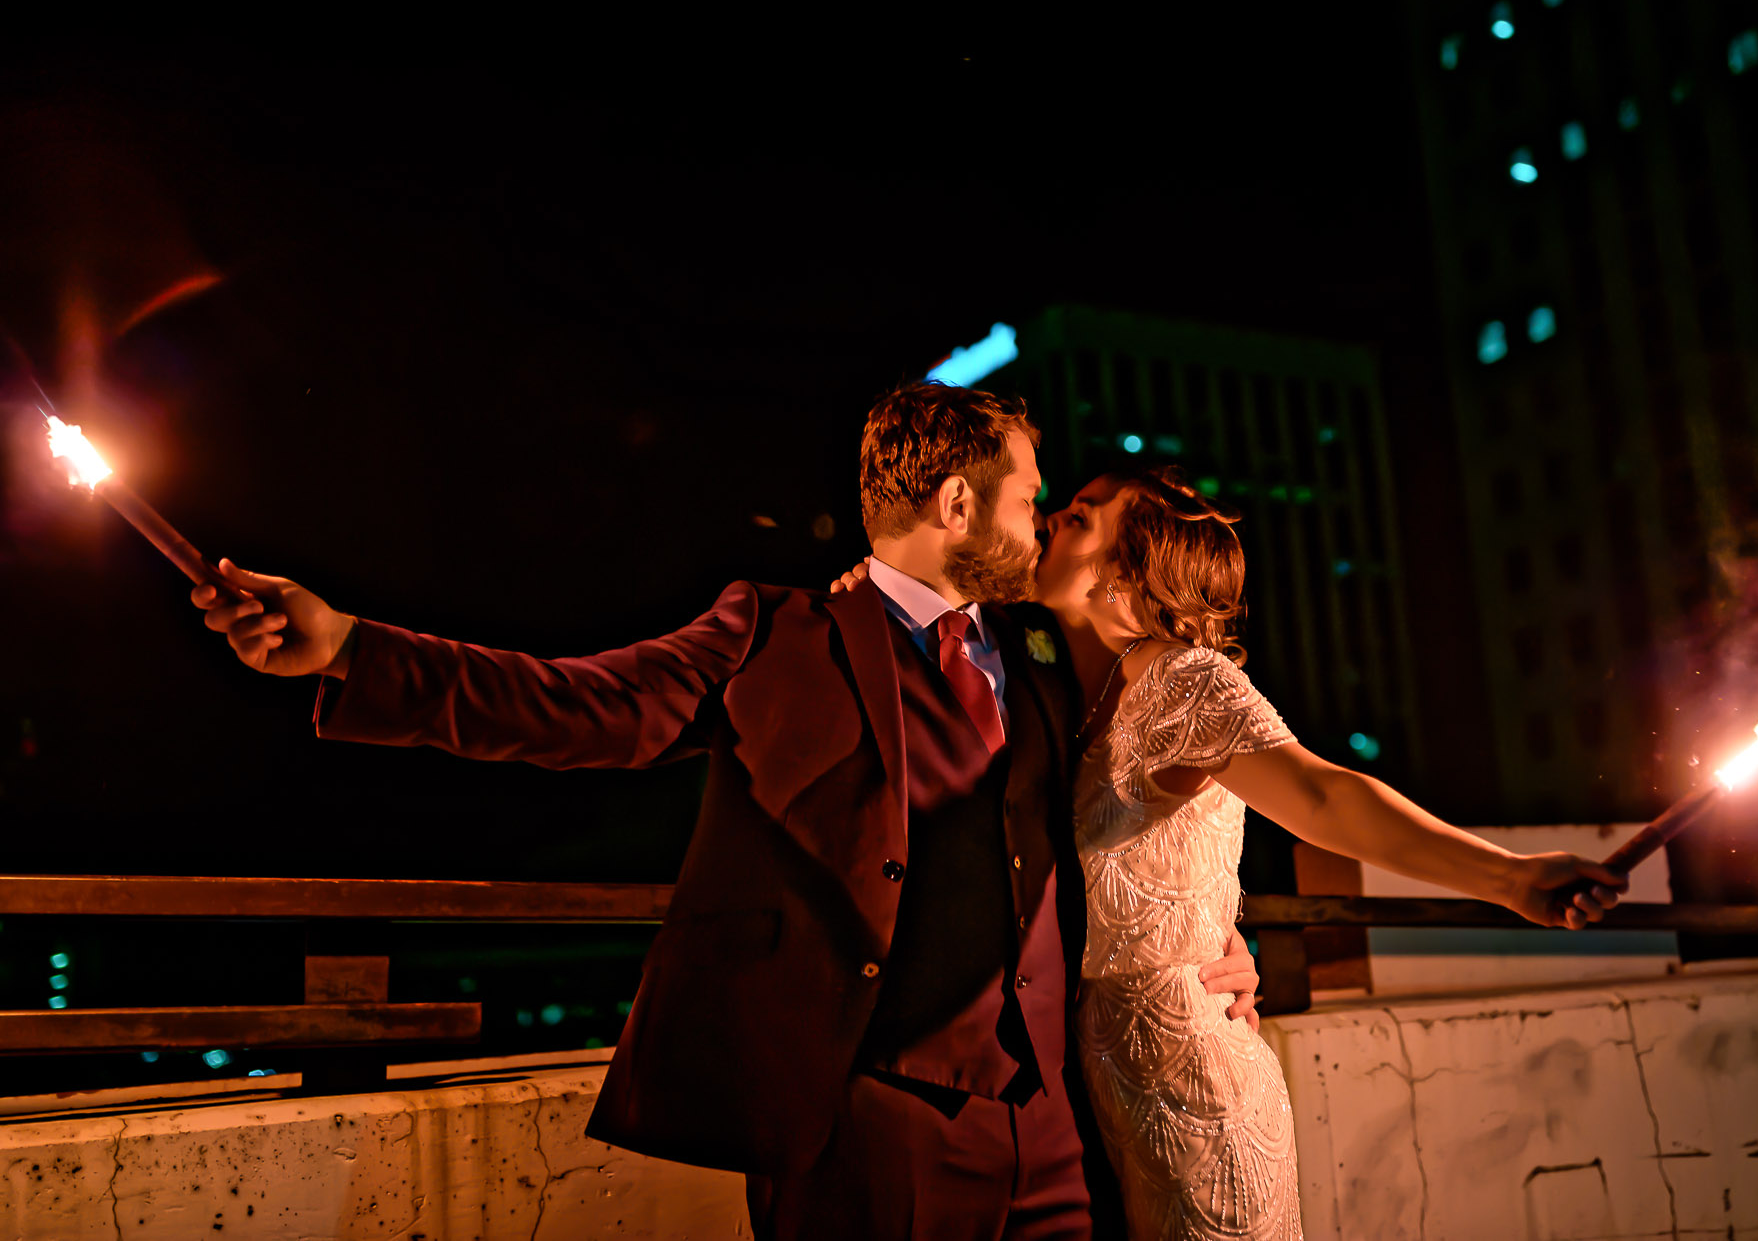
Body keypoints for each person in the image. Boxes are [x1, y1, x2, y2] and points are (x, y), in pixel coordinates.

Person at [188, 385, 1261, 1241]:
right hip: (868, 1127)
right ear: (955, 506)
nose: (1042, 516)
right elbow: (579, 707)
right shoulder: (773, 633)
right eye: (1031, 496)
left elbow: (1129, 813)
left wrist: (1215, 938)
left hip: (1051, 1126)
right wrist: (350, 649)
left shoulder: (1038, 658)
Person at [836, 465, 1624, 1241]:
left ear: (1126, 566)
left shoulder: (1184, 683)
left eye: (1078, 516)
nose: (1044, 521)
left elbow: (1325, 796)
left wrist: (1512, 877)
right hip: (1077, 1092)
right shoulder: (1043, 682)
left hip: (1193, 1089)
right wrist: (870, 594)